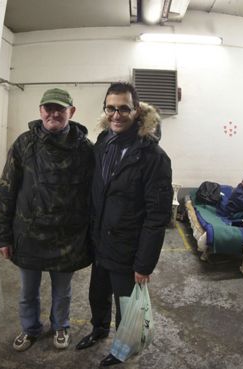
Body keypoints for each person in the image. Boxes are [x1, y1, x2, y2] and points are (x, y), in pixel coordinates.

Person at [76, 82, 173, 367]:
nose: (116, 115)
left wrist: (144, 264)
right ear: (105, 110)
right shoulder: (104, 142)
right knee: (97, 293)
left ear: (136, 110)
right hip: (100, 242)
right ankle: (98, 329)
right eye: (111, 108)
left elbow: (157, 216)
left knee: (126, 305)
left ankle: (121, 348)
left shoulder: (153, 157)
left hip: (127, 249)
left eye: (123, 109)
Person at [0, 88, 93, 352]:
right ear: (40, 111)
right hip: (29, 236)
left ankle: (61, 327)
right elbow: (5, 190)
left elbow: (94, 195)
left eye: (60, 108)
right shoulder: (24, 144)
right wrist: (1, 235)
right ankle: (30, 329)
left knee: (63, 291)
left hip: (68, 238)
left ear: (72, 112)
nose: (54, 113)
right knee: (27, 292)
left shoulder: (85, 149)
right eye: (48, 108)